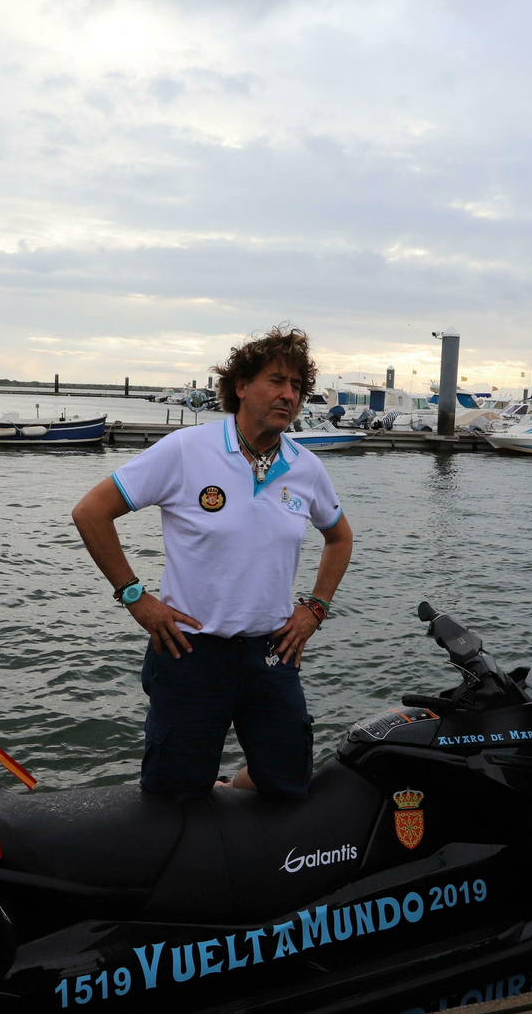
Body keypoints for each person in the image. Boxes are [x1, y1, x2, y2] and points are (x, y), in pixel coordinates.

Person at [71, 325, 353, 801]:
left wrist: (316, 607)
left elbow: (340, 537)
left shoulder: (306, 466)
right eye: (276, 381)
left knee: (289, 785)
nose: (289, 395)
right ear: (240, 385)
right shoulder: (187, 449)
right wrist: (136, 598)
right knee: (174, 797)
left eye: (297, 386)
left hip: (272, 652)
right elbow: (91, 511)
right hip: (190, 651)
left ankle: (231, 787)